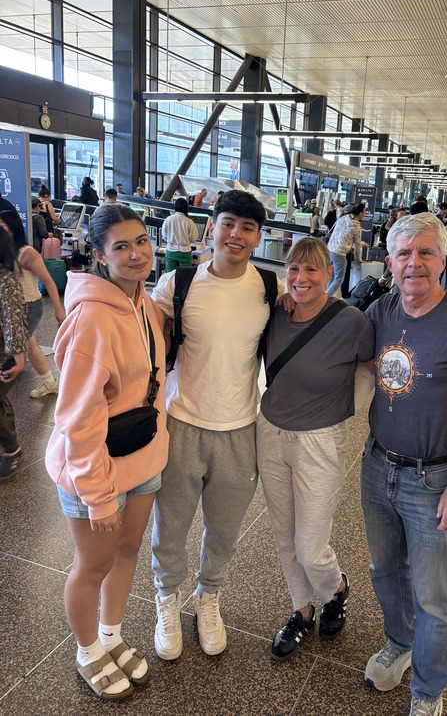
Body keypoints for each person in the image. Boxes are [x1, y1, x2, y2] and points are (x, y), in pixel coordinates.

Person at [361, 213, 447, 716]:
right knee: (384, 570)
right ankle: (400, 643)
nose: (414, 263)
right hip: (378, 466)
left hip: (434, 477)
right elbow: (351, 351)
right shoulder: (381, 311)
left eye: (426, 252)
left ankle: (427, 689)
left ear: (444, 260)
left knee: (433, 592)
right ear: (389, 262)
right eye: (404, 253)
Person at [150, 190, 282, 662]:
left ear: (258, 237)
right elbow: (138, 329)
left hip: (240, 428)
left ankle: (209, 595)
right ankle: (167, 597)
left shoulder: (270, 288)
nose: (236, 235)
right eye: (228, 223)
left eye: (247, 228)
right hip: (182, 422)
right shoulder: (179, 283)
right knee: (171, 522)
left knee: (224, 528)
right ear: (211, 227)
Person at [45, 204, 168, 701]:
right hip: (93, 468)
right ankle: (88, 650)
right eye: (121, 246)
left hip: (142, 457)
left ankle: (112, 634)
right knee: (92, 565)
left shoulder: (144, 303)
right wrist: (97, 496)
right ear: (99, 255)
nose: (136, 253)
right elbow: (77, 419)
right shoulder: (92, 318)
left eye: (141, 241)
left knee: (128, 549)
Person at [256, 238, 374, 661]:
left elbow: (375, 370)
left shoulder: (352, 322)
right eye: (294, 269)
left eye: (311, 270)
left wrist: (349, 409)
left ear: (330, 274)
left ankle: (335, 588)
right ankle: (302, 610)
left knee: (310, 545)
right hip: (269, 432)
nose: (301, 278)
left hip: (320, 442)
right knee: (284, 535)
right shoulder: (275, 312)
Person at [0, 206, 65, 399]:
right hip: (12, 308)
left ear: (13, 227)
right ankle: (50, 382)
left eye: (2, 225)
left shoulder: (27, 252)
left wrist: (58, 310)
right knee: (29, 344)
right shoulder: (6, 251)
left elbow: (49, 282)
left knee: (21, 344)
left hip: (29, 305)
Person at [0, 226, 27, 481]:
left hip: (4, 355)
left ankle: (12, 450)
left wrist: (18, 357)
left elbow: (13, 319)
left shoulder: (6, 280)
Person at [326, 202, 366, 297]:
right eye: (364, 212)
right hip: (339, 253)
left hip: (330, 249)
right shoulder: (357, 227)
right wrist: (358, 259)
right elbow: (357, 245)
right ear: (360, 213)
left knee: (332, 276)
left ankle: (326, 294)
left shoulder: (343, 218)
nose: (364, 214)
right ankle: (325, 297)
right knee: (339, 279)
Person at [161, 197, 201, 272]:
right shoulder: (189, 221)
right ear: (186, 208)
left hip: (171, 251)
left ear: (175, 207)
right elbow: (193, 238)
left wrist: (171, 240)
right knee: (185, 275)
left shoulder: (168, 219)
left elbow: (164, 235)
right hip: (185, 252)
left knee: (170, 275)